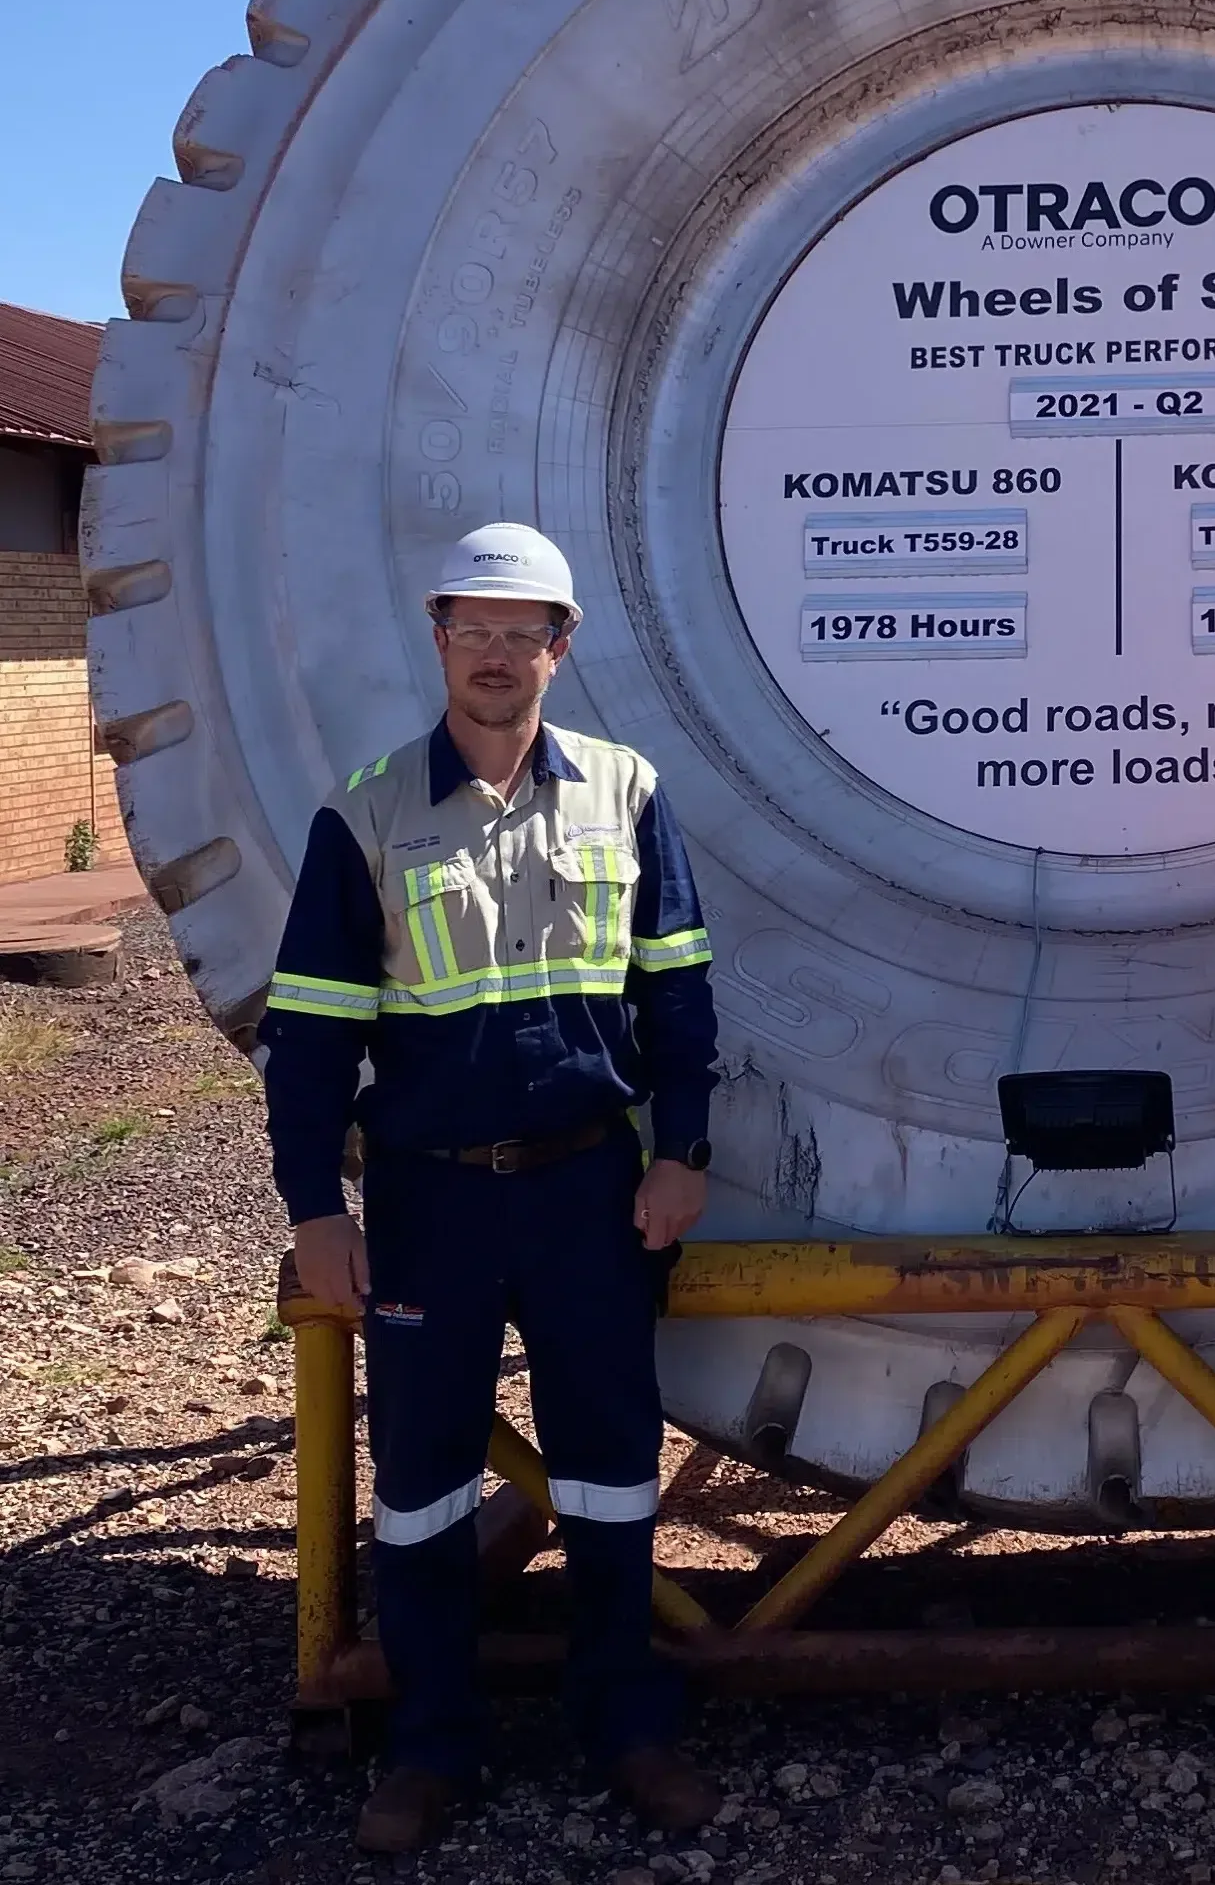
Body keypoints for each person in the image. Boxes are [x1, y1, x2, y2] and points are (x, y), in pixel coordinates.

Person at [260, 523, 723, 1854]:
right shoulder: (368, 812)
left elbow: (677, 986)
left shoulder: (627, 795)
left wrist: (682, 1148)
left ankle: (626, 1728)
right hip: (431, 1205)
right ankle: (431, 1747)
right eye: (475, 629)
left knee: (610, 1473)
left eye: (525, 634)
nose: (498, 656)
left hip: (591, 1193)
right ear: (438, 638)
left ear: (560, 651)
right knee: (419, 1485)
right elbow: (313, 1032)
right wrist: (314, 1208)